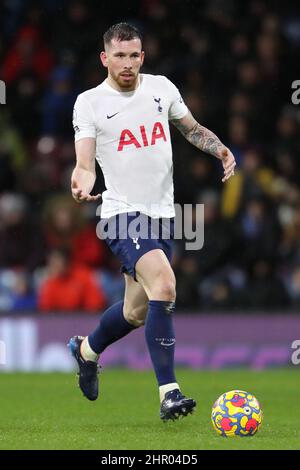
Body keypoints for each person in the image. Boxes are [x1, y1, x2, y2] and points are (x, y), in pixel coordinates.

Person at [68, 22, 236, 421]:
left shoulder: (162, 87)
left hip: (163, 215)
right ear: (104, 58)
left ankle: (86, 350)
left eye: (134, 55)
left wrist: (221, 150)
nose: (127, 64)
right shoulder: (89, 102)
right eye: (119, 56)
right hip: (122, 215)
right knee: (165, 283)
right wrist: (81, 182)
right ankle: (169, 393)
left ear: (142, 56)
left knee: (136, 312)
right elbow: (85, 162)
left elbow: (191, 129)